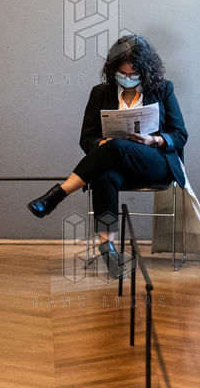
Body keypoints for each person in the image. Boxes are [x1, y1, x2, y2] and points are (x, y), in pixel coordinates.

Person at [26, 34, 188, 276]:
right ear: (113, 70)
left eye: (134, 74)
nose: (129, 78)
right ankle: (108, 248)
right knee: (105, 173)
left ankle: (58, 194)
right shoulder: (100, 93)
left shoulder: (163, 89)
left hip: (156, 163)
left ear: (146, 70)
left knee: (115, 148)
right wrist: (102, 143)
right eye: (123, 73)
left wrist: (153, 140)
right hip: (117, 165)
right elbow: (87, 139)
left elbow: (180, 135)